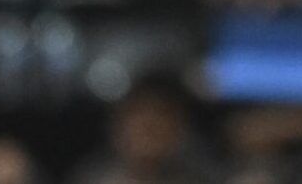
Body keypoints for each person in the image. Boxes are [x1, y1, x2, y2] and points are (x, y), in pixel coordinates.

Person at [68, 72, 222, 184]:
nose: (148, 127)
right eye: (137, 116)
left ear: (180, 127)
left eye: (161, 115)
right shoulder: (91, 179)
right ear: (116, 127)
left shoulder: (203, 179)